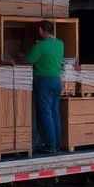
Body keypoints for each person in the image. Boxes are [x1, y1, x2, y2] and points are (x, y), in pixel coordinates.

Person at [25, 20, 64, 153]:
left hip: (44, 81)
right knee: (54, 112)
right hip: (57, 81)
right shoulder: (60, 44)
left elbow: (29, 60)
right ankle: (57, 144)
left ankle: (50, 145)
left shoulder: (40, 46)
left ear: (41, 30)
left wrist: (20, 56)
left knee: (45, 114)